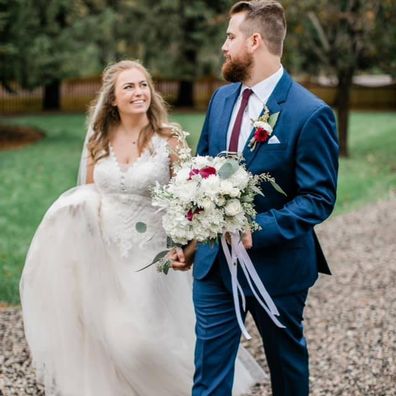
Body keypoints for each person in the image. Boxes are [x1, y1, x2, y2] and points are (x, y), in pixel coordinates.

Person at [20, 60, 264, 396]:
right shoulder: (98, 141)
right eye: (129, 87)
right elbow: (89, 195)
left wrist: (189, 246)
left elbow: (190, 199)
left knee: (142, 339)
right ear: (113, 100)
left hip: (153, 254)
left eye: (143, 85)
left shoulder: (169, 140)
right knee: (108, 335)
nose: (139, 92)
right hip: (104, 255)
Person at [191, 1, 339, 395]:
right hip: (215, 268)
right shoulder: (221, 100)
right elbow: (200, 170)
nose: (224, 46)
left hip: (277, 267)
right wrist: (189, 238)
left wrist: (259, 229)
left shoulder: (311, 113)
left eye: (230, 36)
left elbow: (318, 196)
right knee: (208, 378)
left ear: (255, 41)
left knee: (287, 374)